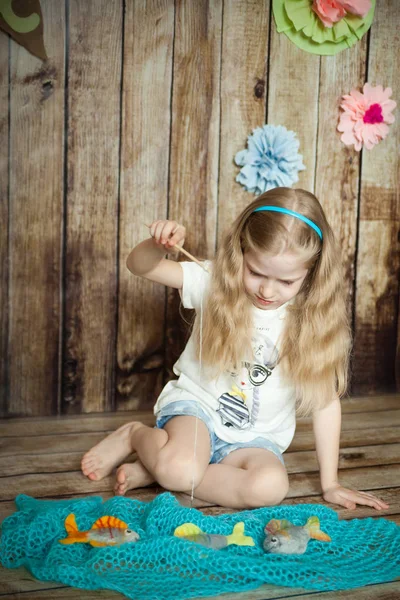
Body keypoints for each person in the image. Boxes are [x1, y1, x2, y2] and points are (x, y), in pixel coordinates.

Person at [81, 187, 389, 511]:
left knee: (271, 488)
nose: (268, 290)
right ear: (241, 250)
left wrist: (331, 484)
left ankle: (157, 470)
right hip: (197, 414)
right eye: (256, 272)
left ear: (311, 273)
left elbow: (325, 404)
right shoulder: (215, 282)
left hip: (255, 440)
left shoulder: (314, 320)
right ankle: (135, 437)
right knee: (180, 469)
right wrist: (156, 246)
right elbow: (140, 266)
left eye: (286, 282)